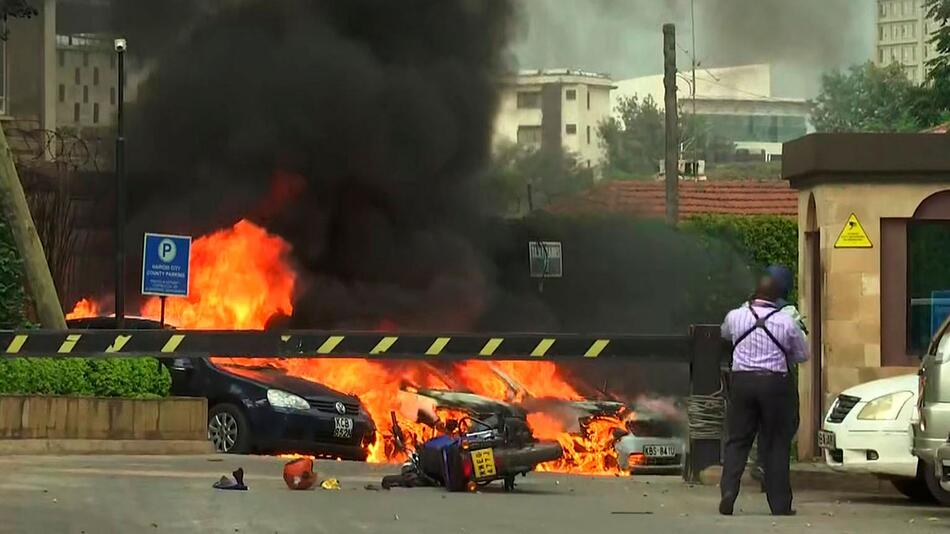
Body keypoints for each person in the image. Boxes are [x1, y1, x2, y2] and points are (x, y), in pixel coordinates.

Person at [719, 268, 808, 516]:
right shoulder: (786, 321)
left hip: (742, 383)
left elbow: (725, 335)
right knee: (776, 443)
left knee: (737, 440)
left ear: (755, 292)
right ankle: (779, 504)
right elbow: (802, 355)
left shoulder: (735, 316)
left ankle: (728, 491)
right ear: (778, 296)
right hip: (775, 385)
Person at [749, 265, 806, 490]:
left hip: (745, 377)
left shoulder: (745, 309)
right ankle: (770, 472)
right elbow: (801, 350)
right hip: (778, 377)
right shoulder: (788, 313)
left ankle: (761, 467)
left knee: (758, 424)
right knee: (786, 425)